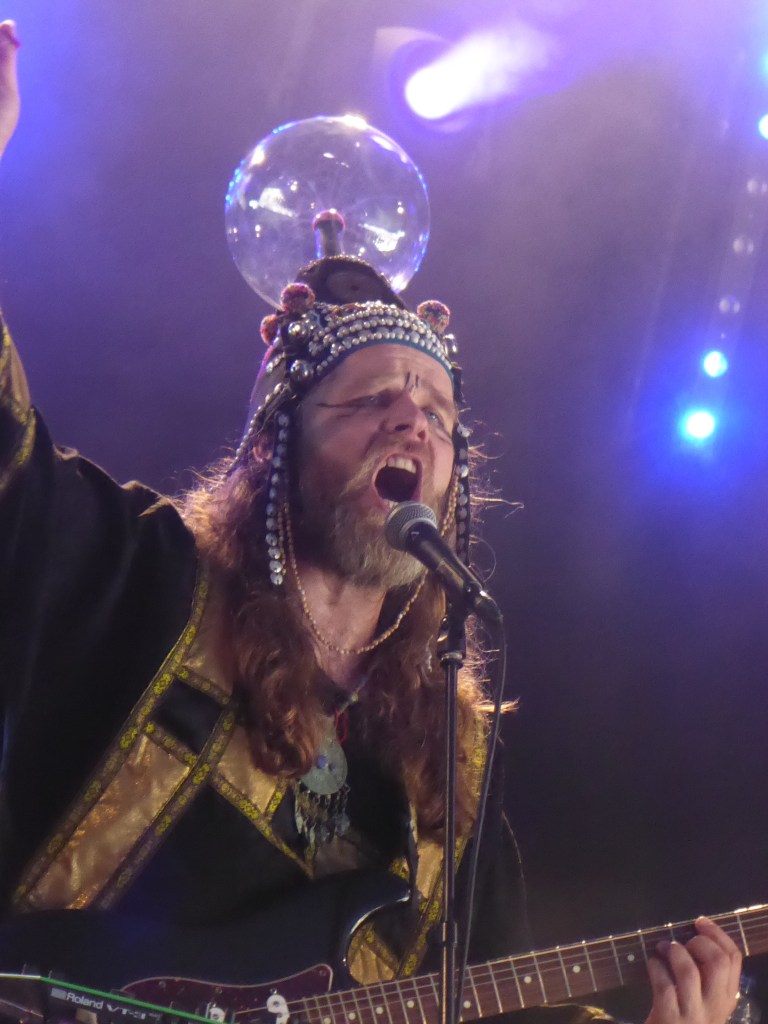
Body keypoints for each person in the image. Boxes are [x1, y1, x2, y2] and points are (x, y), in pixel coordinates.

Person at [0, 18, 742, 1024]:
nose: (413, 422)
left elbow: (483, 999)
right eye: (371, 400)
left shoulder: (450, 757)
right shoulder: (144, 580)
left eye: (437, 413)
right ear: (276, 448)